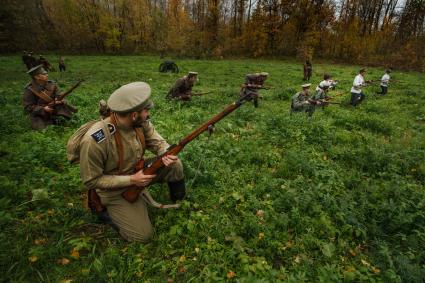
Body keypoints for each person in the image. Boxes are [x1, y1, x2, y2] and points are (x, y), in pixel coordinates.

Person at [79, 82, 186, 242]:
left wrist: (166, 153)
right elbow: (92, 180)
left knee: (175, 165)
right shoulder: (95, 140)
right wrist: (132, 180)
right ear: (134, 115)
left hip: (139, 172)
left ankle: (181, 203)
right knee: (142, 235)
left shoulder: (140, 123)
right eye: (146, 111)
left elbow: (157, 142)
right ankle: (104, 212)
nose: (149, 114)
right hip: (114, 190)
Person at [23, 65, 77, 130]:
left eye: (46, 73)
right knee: (41, 129)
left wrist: (60, 100)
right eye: (44, 74)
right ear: (37, 77)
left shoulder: (52, 84)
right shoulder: (30, 89)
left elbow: (59, 95)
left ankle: (62, 119)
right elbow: (28, 107)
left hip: (54, 110)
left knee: (67, 121)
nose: (47, 75)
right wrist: (43, 109)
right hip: (39, 114)